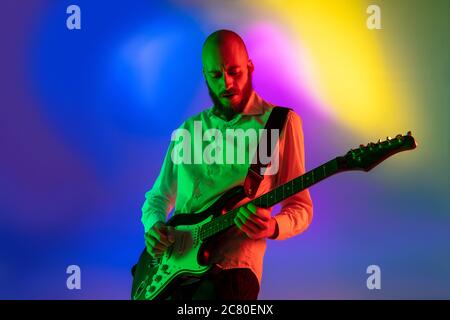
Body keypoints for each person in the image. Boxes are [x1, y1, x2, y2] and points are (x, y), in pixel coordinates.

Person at [141, 29, 313, 300]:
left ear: (250, 66)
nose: (227, 83)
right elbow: (157, 197)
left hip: (232, 270)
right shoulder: (189, 129)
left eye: (235, 72)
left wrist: (273, 226)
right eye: (217, 75)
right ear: (205, 75)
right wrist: (153, 226)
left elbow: (300, 206)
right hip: (171, 271)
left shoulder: (278, 125)